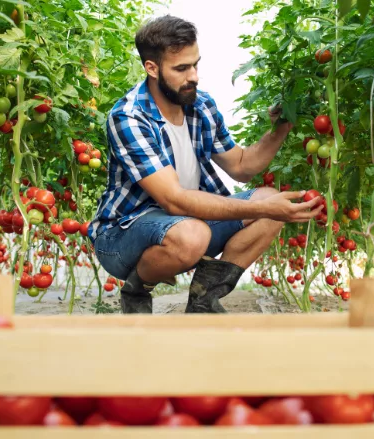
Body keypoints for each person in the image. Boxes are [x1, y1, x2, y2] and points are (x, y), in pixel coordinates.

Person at [87, 15, 323, 314]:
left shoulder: (200, 105)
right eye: (182, 68)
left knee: (267, 200)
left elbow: (242, 165)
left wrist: (281, 128)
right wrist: (263, 208)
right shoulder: (130, 117)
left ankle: (204, 300)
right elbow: (174, 200)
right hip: (122, 236)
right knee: (197, 232)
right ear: (152, 68)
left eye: (195, 64)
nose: (194, 76)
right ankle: (136, 290)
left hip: (188, 224)